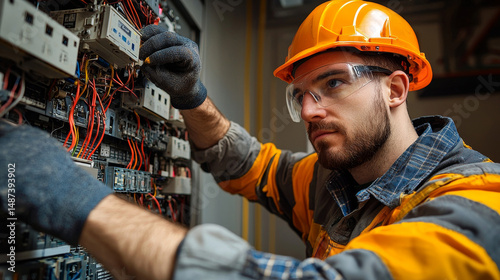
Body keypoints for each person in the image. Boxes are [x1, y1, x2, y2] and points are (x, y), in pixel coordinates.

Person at [1, 0, 500, 279]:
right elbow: (249, 165)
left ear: (395, 89)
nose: (308, 110)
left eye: (333, 83)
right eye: (300, 94)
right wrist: (193, 99)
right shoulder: (329, 180)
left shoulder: (478, 205)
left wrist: (79, 202)